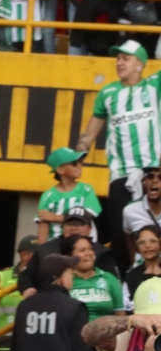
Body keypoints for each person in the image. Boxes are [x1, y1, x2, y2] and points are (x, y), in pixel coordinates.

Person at [76, 39, 160, 268]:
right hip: (120, 174)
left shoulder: (154, 85)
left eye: (126, 58)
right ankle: (128, 283)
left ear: (140, 64)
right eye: (118, 58)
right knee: (120, 233)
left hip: (152, 172)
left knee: (154, 231)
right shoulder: (108, 92)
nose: (119, 62)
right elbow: (92, 129)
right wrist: (77, 157)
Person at [19, 207, 120, 294]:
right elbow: (25, 276)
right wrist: (27, 289)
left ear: (89, 228)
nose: (74, 227)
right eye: (69, 223)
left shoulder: (101, 252)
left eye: (80, 223)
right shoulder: (45, 249)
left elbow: (116, 284)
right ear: (63, 226)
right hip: (51, 302)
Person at [38, 148, 102, 243]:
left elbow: (85, 218)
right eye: (74, 163)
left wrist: (54, 217)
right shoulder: (47, 195)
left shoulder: (86, 190)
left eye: (81, 162)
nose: (80, 166)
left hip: (81, 244)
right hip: (55, 245)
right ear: (60, 170)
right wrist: (41, 252)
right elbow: (43, 225)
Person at [63, 233, 125, 321]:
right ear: (68, 257)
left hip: (104, 333)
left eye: (90, 249)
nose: (89, 253)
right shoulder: (62, 281)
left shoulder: (109, 278)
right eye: (82, 250)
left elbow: (120, 315)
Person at [123, 165, 161, 237]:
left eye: (160, 177)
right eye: (150, 176)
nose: (155, 181)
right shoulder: (130, 210)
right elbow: (129, 240)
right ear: (144, 182)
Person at [127, 225, 161, 302]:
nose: (147, 246)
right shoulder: (132, 275)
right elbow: (129, 304)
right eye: (141, 242)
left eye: (153, 241)